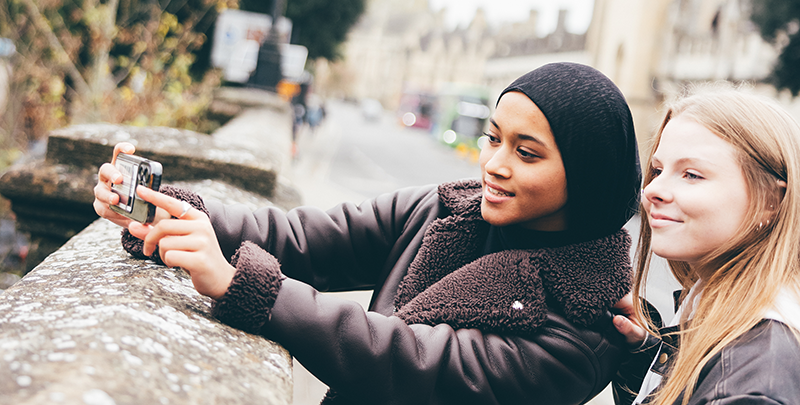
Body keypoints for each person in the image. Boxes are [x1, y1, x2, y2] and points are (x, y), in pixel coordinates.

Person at [94, 62, 641, 404]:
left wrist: (246, 287)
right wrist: (173, 215)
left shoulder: (589, 327)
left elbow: (411, 363)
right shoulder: (446, 208)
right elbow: (304, 237)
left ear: (587, 177)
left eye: (526, 153)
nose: (495, 164)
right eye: (493, 138)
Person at [611, 86, 800, 405]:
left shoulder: (754, 386)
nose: (652, 190)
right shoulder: (717, 309)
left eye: (691, 175)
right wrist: (646, 355)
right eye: (657, 169)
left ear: (770, 200)